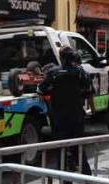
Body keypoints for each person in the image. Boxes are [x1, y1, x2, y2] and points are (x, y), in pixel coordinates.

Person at [38, 46, 94, 177]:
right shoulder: (80, 72)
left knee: (61, 148)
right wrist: (92, 109)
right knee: (78, 148)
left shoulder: (53, 73)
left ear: (60, 57)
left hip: (59, 117)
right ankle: (88, 177)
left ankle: (65, 180)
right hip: (76, 116)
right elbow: (89, 92)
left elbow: (41, 91)